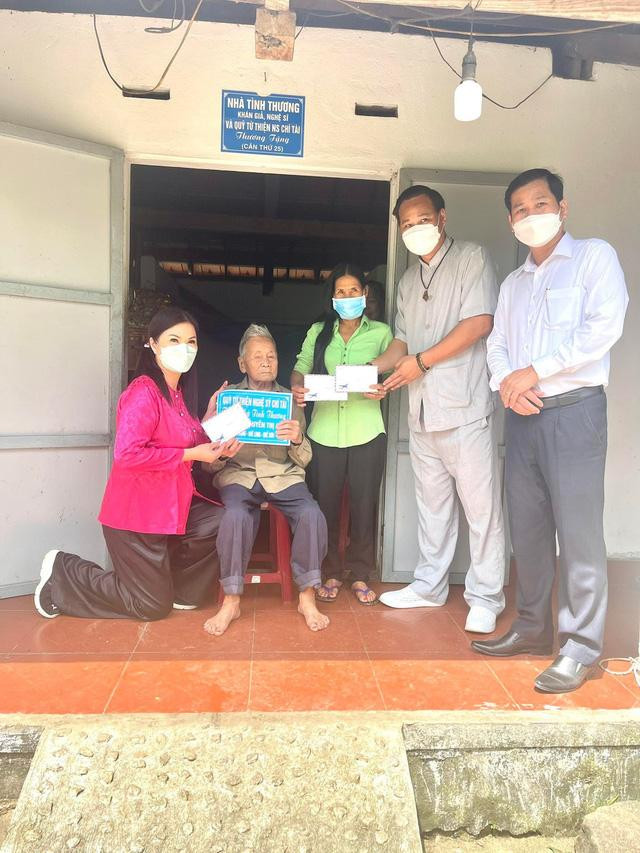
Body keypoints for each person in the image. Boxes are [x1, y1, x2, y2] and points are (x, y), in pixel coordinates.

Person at [472, 168, 629, 693]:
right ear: (511, 221)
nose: (530, 215)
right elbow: (497, 344)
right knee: (529, 528)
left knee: (579, 532)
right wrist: (506, 384)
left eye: (540, 204)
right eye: (519, 209)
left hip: (575, 412)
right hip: (522, 414)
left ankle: (580, 647)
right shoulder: (513, 283)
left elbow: (603, 327)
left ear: (562, 208)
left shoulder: (594, 258)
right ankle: (532, 628)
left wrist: (533, 372)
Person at [34, 307, 241, 621]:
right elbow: (128, 454)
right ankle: (63, 571)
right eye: (174, 340)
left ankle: (181, 591)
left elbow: (184, 438)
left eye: (191, 342)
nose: (185, 348)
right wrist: (191, 455)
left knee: (219, 519)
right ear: (154, 344)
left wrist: (211, 428)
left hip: (171, 507)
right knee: (150, 607)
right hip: (137, 516)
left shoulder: (177, 393)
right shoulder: (143, 392)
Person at [373, 185, 506, 634]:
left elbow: (480, 323)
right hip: (423, 413)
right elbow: (401, 345)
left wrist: (422, 362)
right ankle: (429, 586)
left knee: (481, 511)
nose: (416, 229)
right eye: (407, 224)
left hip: (465, 409)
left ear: (442, 218)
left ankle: (485, 597)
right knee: (433, 508)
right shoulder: (409, 281)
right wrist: (369, 372)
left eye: (423, 220)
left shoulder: (472, 258)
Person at [204, 324, 329, 635]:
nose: (265, 362)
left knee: (312, 514)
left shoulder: (289, 401)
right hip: (240, 475)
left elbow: (304, 458)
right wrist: (222, 454)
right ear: (242, 363)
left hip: (283, 476)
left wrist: (297, 439)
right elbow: (209, 463)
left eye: (271, 356)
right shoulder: (228, 399)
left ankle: (307, 596)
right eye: (257, 356)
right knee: (234, 516)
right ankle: (232, 600)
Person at [290, 264, 392, 605]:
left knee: (364, 505)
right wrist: (297, 388)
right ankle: (331, 570)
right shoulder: (319, 331)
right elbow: (300, 367)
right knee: (326, 506)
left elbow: (392, 374)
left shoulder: (381, 333)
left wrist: (384, 389)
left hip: (367, 431)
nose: (347, 297)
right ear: (332, 297)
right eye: (341, 291)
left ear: (365, 294)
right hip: (324, 433)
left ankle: (360, 573)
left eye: (353, 291)